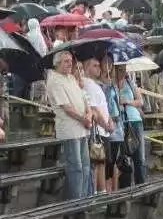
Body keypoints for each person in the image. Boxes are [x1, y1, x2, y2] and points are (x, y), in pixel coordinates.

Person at [46, 51, 91, 200]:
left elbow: (84, 97)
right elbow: (67, 107)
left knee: (85, 165)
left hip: (83, 127)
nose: (70, 63)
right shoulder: (54, 80)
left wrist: (89, 113)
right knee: (76, 167)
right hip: (70, 129)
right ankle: (75, 203)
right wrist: (83, 118)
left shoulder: (71, 77)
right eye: (66, 61)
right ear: (57, 64)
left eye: (71, 61)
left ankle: (83, 199)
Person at [83, 58, 114, 194]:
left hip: (104, 128)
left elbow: (104, 107)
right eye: (94, 66)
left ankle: (101, 192)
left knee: (102, 163)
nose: (98, 68)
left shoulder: (96, 84)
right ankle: (95, 193)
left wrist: (110, 120)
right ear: (86, 67)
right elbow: (94, 108)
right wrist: (105, 124)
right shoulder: (87, 84)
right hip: (98, 129)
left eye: (98, 65)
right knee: (96, 163)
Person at [116, 64, 146, 185]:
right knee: (123, 158)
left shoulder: (130, 83)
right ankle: (125, 187)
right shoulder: (112, 84)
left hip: (134, 120)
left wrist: (127, 101)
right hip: (121, 122)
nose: (123, 72)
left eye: (124, 69)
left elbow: (140, 101)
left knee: (140, 157)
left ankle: (141, 186)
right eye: (120, 70)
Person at [100, 55, 124, 192]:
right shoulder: (101, 84)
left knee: (116, 159)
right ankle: (107, 190)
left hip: (118, 123)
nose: (108, 65)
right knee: (109, 160)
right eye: (105, 62)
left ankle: (114, 190)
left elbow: (116, 102)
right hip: (108, 123)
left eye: (110, 63)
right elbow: (105, 103)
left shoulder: (113, 83)